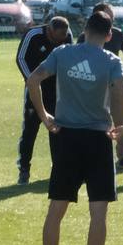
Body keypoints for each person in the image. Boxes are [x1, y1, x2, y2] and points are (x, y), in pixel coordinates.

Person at [27, 11, 123, 245]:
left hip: (66, 139)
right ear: (110, 36)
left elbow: (33, 80)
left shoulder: (62, 53)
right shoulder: (111, 60)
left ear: (84, 30)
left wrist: (44, 115)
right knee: (98, 213)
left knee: (56, 209)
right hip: (98, 140)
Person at [15, 16, 72, 183]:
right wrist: (31, 80)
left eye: (61, 39)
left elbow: (69, 59)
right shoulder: (33, 35)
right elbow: (20, 58)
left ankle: (58, 168)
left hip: (56, 91)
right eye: (55, 38)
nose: (57, 42)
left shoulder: (67, 37)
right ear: (49, 30)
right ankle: (24, 169)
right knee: (30, 130)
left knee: (57, 129)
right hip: (35, 90)